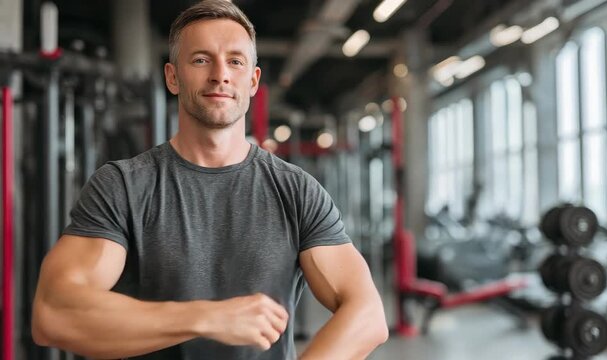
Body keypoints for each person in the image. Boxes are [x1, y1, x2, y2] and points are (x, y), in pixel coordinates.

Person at [30, 1, 388, 359]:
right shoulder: (123, 187)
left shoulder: (296, 191)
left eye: (235, 61)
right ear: (172, 77)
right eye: (201, 60)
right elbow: (54, 314)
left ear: (253, 80)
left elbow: (367, 314)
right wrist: (206, 317)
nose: (220, 75)